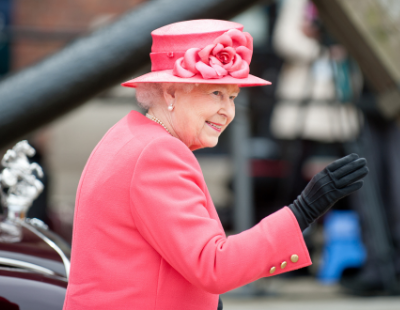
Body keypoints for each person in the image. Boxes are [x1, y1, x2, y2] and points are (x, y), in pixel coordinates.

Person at [63, 20, 369, 310]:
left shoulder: (128, 135)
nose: (227, 111)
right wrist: (303, 210)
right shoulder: (158, 153)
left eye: (232, 96)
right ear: (170, 92)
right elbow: (214, 266)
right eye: (215, 93)